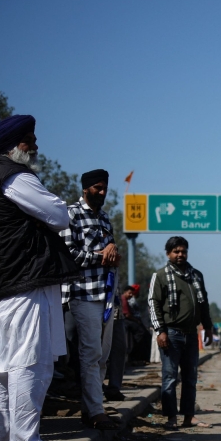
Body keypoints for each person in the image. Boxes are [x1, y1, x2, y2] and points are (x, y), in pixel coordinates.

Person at [0, 114, 78, 441]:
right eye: (29, 140)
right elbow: (59, 215)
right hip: (24, 282)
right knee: (29, 362)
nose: (34, 146)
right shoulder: (15, 176)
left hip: (4, 284)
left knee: (0, 367)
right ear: (13, 146)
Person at [60, 169, 123, 419]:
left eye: (104, 187)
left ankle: (92, 407)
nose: (102, 192)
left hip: (105, 295)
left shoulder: (105, 218)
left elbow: (111, 252)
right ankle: (95, 412)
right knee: (90, 354)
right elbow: (68, 254)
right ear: (85, 188)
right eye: (98, 188)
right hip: (83, 293)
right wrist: (100, 257)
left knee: (102, 356)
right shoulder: (71, 214)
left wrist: (112, 249)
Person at [148, 236, 214, 428]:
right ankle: (171, 418)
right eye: (176, 251)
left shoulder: (196, 276)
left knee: (190, 377)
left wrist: (208, 327)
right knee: (169, 377)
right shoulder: (160, 276)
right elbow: (153, 304)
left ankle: (189, 416)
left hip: (191, 334)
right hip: (171, 334)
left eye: (183, 251)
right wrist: (160, 331)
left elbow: (204, 304)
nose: (180, 254)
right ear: (168, 254)